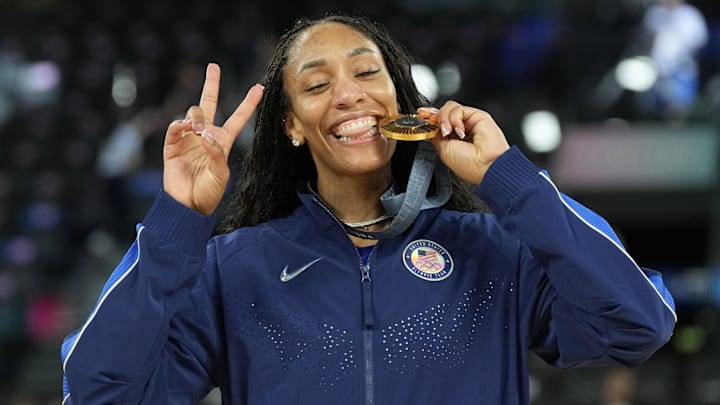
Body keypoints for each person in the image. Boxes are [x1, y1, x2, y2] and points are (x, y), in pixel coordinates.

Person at [60, 14, 676, 405]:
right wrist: (177, 221)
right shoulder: (233, 270)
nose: (349, 94)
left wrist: (509, 180)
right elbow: (98, 394)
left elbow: (638, 324)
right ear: (292, 126)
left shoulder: (494, 251)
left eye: (366, 73)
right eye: (317, 84)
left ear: (398, 99)